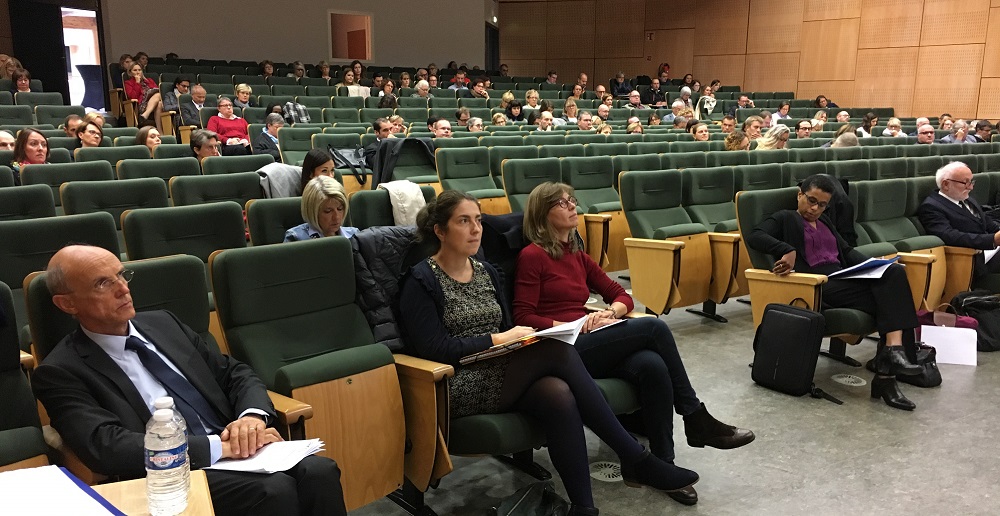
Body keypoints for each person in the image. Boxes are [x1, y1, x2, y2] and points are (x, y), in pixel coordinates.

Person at [397, 191, 701, 514]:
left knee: (558, 394)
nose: (476, 229)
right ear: (440, 231)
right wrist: (497, 340)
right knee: (556, 350)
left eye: (479, 221)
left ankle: (584, 508)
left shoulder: (486, 272)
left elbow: (510, 326)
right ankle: (635, 458)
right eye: (463, 221)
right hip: (454, 384)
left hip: (499, 371)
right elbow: (435, 349)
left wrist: (512, 339)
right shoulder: (421, 280)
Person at [32, 245, 347, 516]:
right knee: (274, 490)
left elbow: (233, 372)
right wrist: (219, 448)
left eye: (121, 275)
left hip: (234, 445)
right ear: (67, 304)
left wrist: (250, 418)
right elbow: (106, 446)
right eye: (103, 283)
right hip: (170, 473)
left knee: (320, 471)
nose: (123, 289)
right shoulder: (60, 371)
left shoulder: (163, 323)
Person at [514, 183, 755, 505]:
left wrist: (609, 313)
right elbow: (524, 316)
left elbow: (621, 294)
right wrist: (575, 324)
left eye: (572, 200)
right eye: (562, 203)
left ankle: (662, 463)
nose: (572, 206)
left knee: (652, 366)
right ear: (543, 214)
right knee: (654, 326)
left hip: (592, 336)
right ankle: (694, 415)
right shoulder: (532, 256)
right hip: (563, 348)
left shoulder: (576, 255)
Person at [746, 174, 925, 411]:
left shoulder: (825, 222)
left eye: (822, 205)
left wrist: (874, 266)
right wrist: (787, 249)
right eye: (811, 201)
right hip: (818, 285)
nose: (815, 209)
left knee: (893, 275)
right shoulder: (785, 218)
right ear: (799, 195)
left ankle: (891, 359)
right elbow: (755, 236)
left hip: (844, 279)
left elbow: (846, 251)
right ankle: (889, 370)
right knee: (893, 298)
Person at [918, 161, 1000, 283]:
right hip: (969, 260)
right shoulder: (931, 207)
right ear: (946, 184)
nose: (971, 187)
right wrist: (992, 240)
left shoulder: (966, 199)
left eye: (971, 182)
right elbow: (950, 236)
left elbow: (986, 222)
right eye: (965, 182)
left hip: (989, 252)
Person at [284, 176, 357, 242]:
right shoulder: (295, 238)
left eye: (340, 209)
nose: (336, 217)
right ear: (312, 212)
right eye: (328, 211)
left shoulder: (354, 235)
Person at [123, 63, 163, 130]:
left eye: (139, 70)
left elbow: (156, 90)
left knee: (159, 103)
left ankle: (158, 129)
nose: (138, 72)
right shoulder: (128, 83)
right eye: (135, 70)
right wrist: (137, 83)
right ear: (130, 72)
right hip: (140, 105)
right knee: (158, 95)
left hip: (153, 103)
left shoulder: (149, 80)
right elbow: (133, 97)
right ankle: (145, 114)